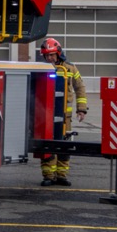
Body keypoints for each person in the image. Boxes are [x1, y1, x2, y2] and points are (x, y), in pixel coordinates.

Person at [39, 36, 87, 186]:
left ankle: (61, 176)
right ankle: (49, 176)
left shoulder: (70, 68)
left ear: (58, 53)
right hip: (46, 115)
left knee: (64, 145)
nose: (49, 58)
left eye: (52, 55)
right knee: (48, 145)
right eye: (47, 56)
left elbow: (80, 88)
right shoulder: (41, 68)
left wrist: (81, 109)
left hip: (65, 116)